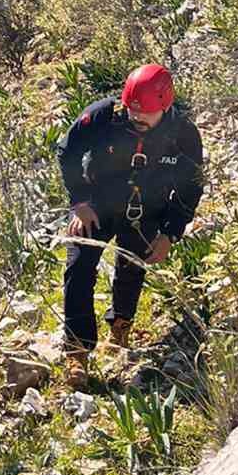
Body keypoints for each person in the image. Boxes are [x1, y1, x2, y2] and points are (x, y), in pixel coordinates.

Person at [56, 63, 203, 381]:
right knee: (78, 266)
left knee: (131, 269)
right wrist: (79, 201)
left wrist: (170, 233)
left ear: (165, 104)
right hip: (97, 206)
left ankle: (120, 328)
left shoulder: (183, 134)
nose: (137, 118)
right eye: (133, 111)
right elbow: (68, 152)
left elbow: (192, 186)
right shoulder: (104, 116)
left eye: (146, 114)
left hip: (146, 212)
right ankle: (77, 350)